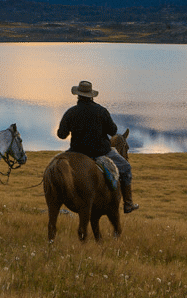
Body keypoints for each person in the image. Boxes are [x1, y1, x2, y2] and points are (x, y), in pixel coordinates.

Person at [57, 80, 139, 213]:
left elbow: (61, 135)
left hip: (76, 153)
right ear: (91, 96)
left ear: (77, 95)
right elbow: (113, 131)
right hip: (101, 152)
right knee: (126, 168)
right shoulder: (101, 111)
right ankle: (128, 203)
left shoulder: (70, 112)